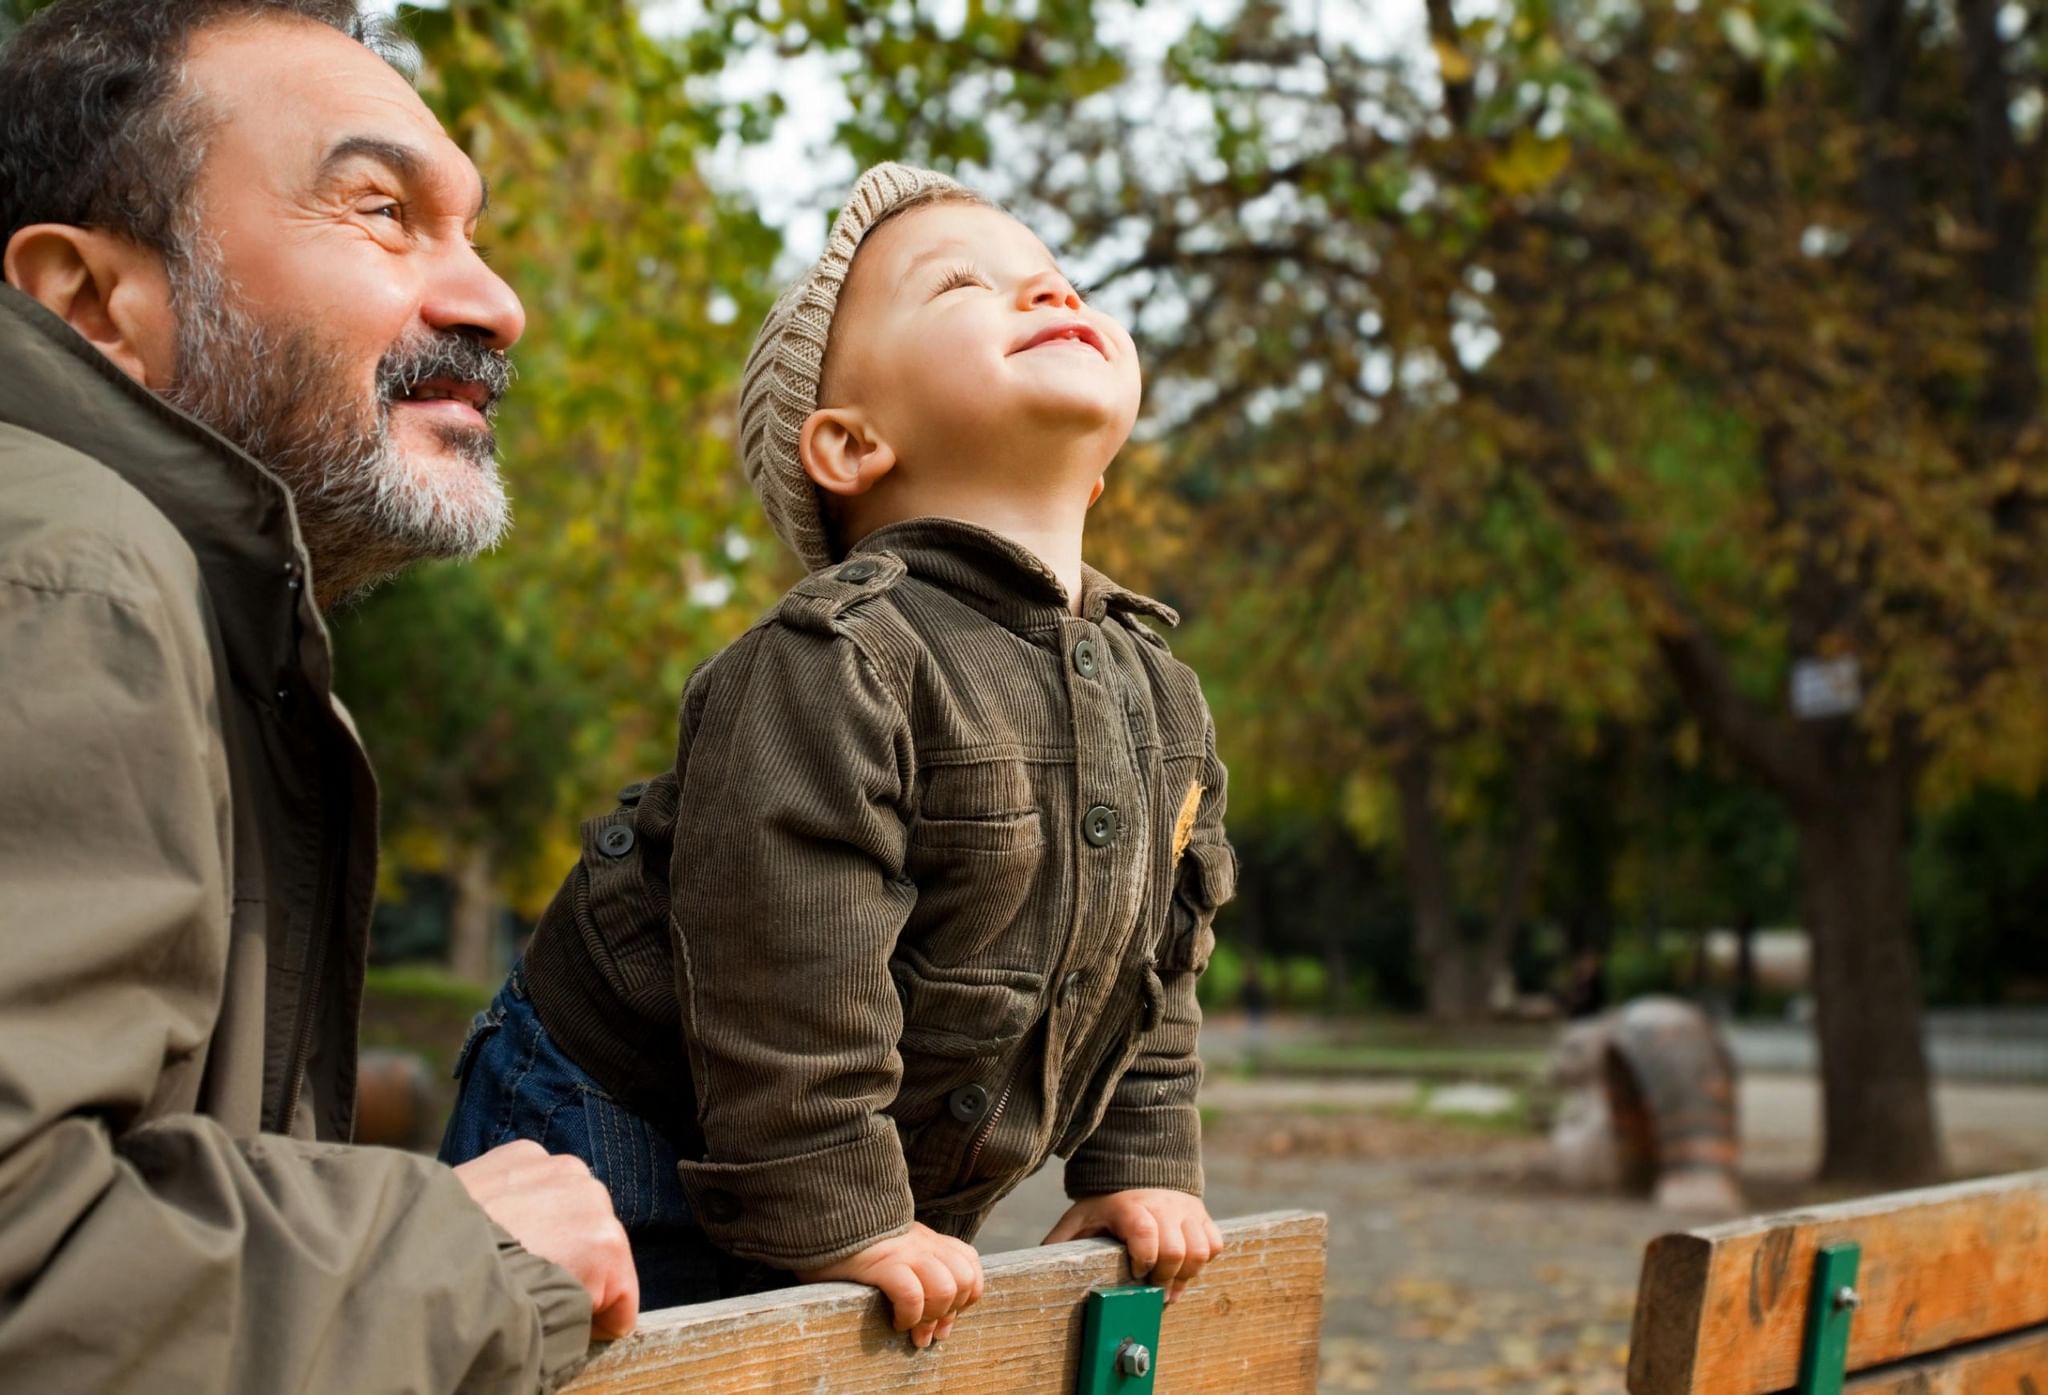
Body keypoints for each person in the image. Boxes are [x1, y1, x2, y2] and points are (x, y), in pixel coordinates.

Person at [442, 164, 1239, 1346]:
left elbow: (1155, 966)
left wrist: (1136, 1163)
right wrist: (842, 1205)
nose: (1041, 295)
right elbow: (788, 952)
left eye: (1053, 281)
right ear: (851, 444)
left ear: (1104, 462)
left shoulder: (1159, 695)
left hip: (873, 1169)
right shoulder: (838, 662)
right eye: (966, 285)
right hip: (626, 1133)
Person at [0, 3, 637, 1388]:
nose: (494, 301)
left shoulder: (177, 611)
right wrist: (463, 1248)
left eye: (470, 229)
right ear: (92, 300)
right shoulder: (71, 582)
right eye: (381, 210)